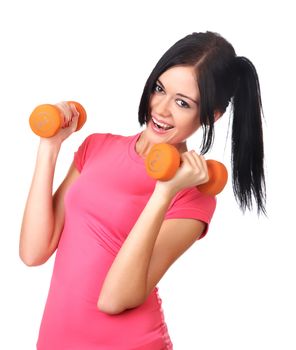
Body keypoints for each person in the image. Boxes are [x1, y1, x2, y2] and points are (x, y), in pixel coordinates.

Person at [19, 31, 266, 350]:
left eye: (182, 103)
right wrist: (49, 147)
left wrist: (164, 193)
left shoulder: (194, 194)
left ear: (211, 116)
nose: (161, 109)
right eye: (159, 89)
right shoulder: (97, 147)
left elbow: (114, 299)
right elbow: (33, 251)